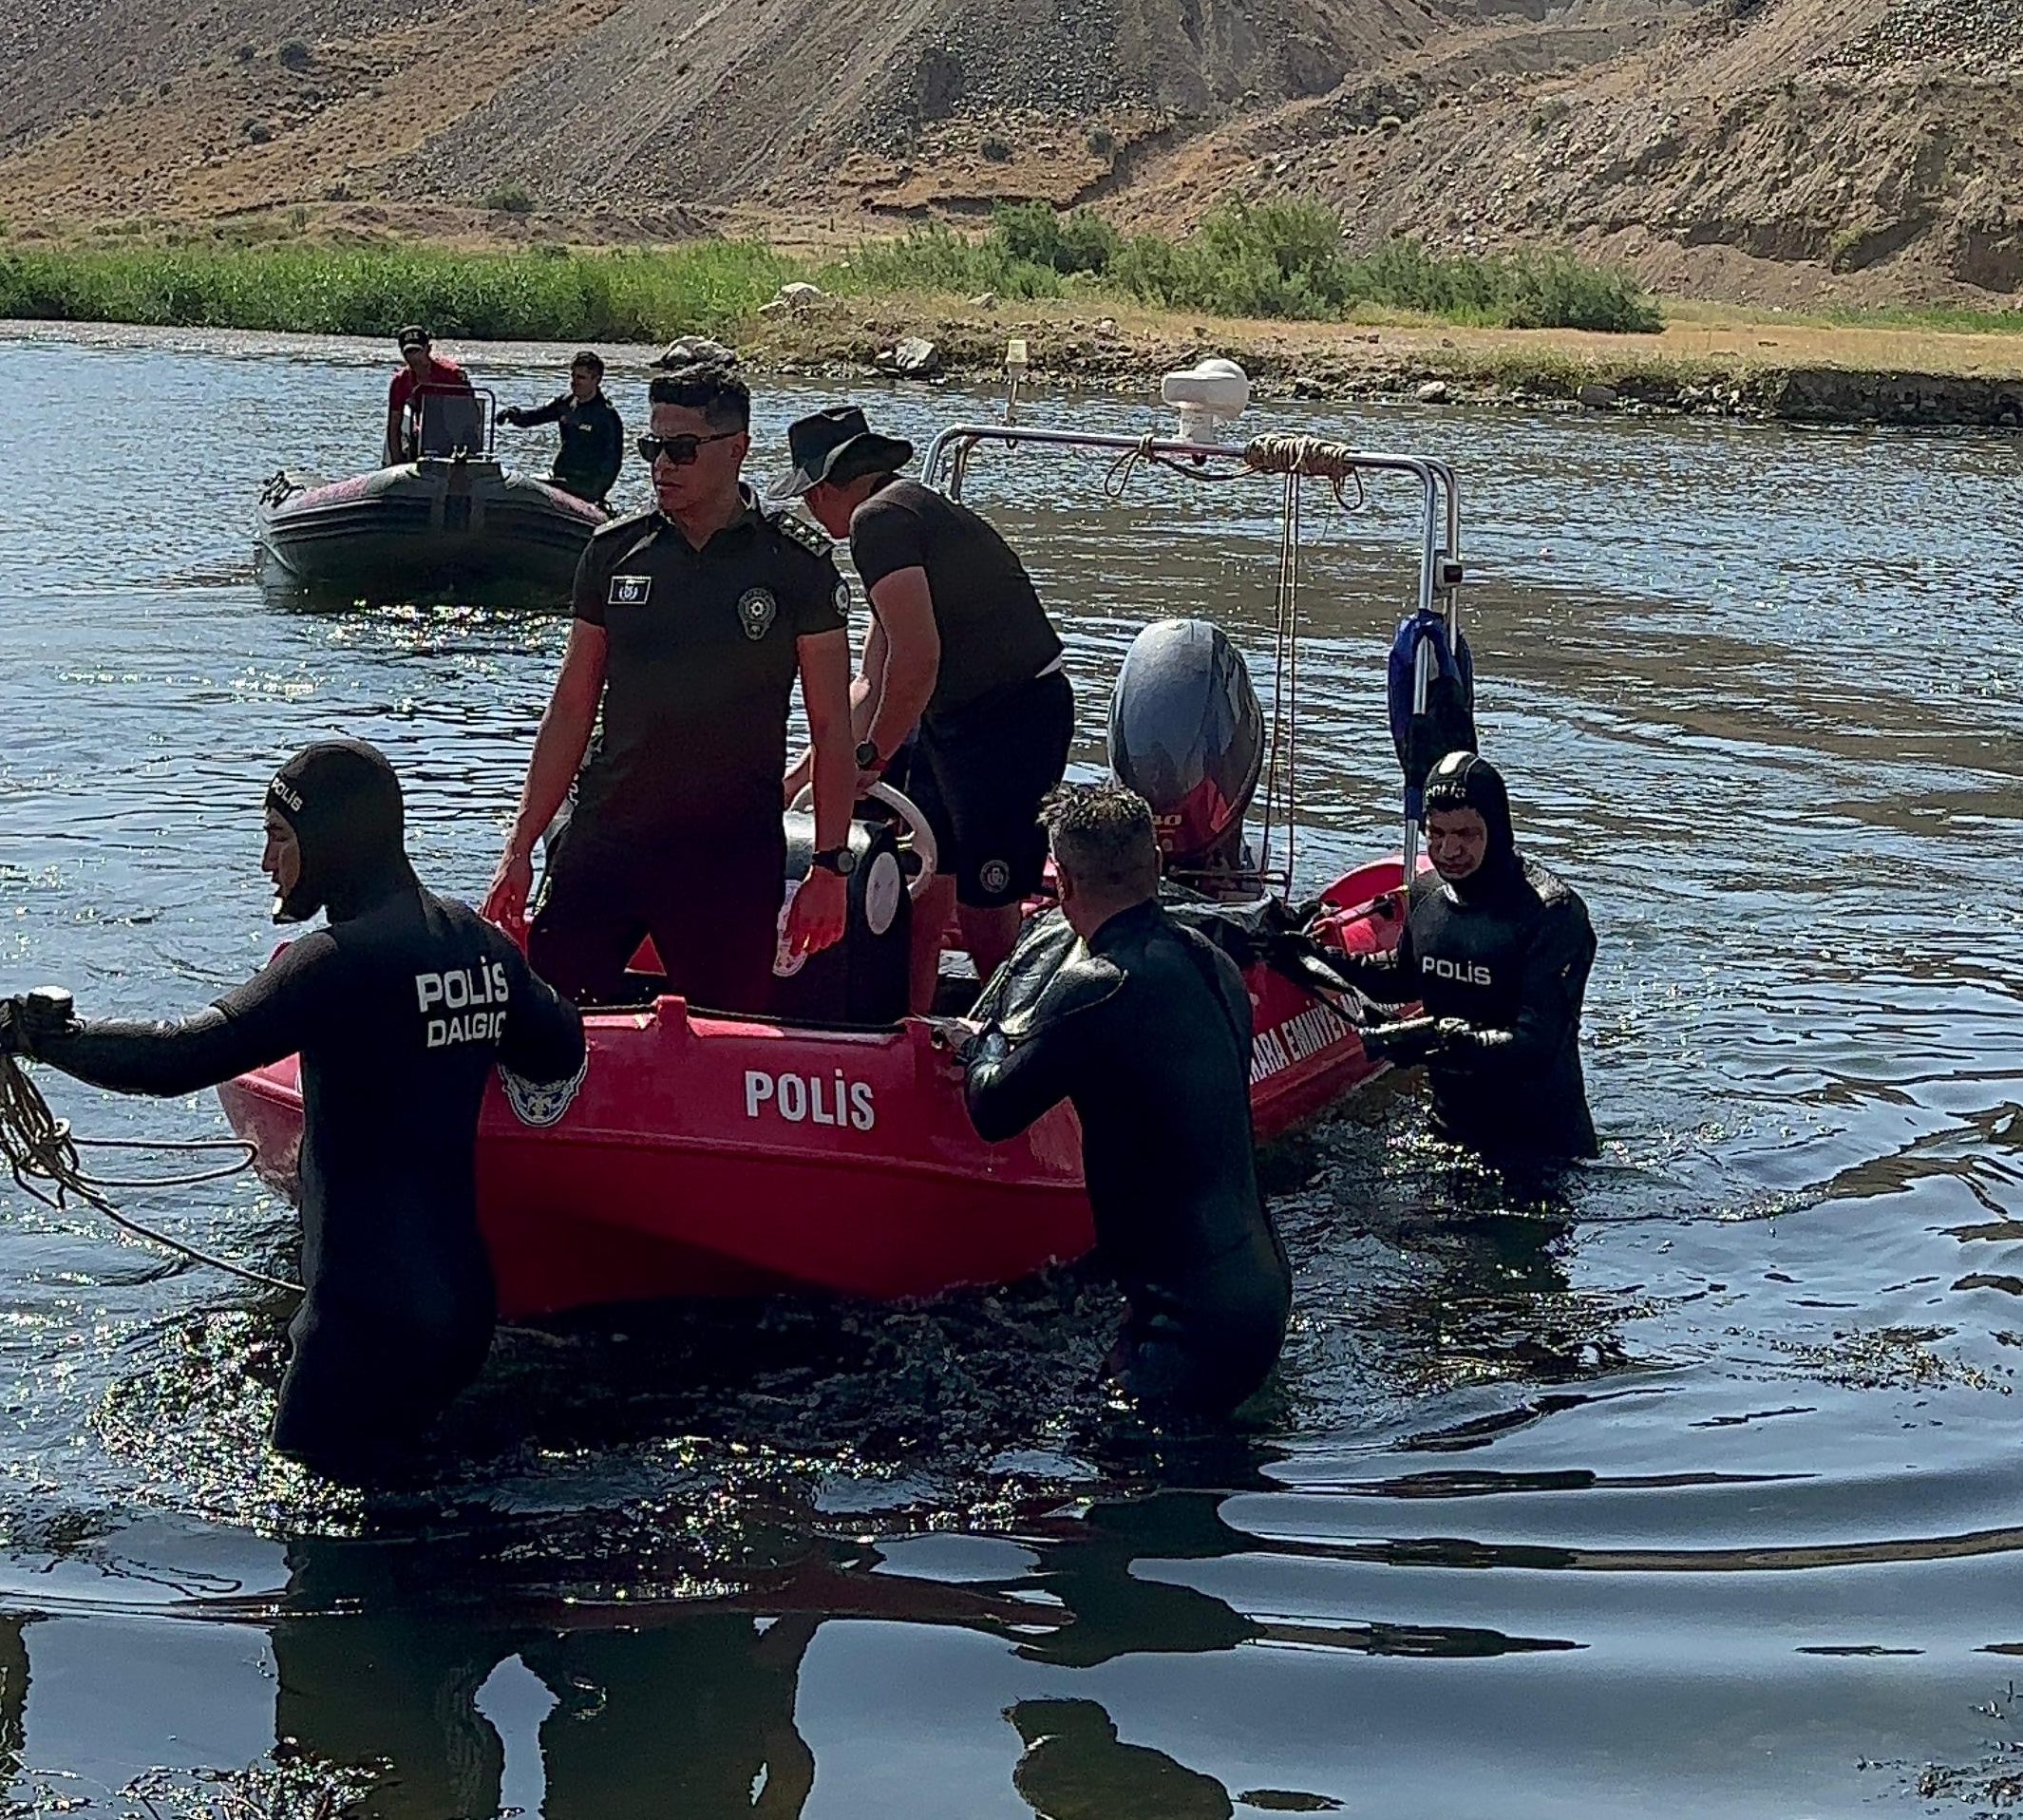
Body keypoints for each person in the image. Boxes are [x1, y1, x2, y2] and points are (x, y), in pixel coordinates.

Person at [0, 739, 585, 1480]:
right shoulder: (478, 948)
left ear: (332, 838)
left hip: (361, 1325)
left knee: (320, 1528)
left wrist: (41, 1038)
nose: (266, 862)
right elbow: (559, 1046)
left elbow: (182, 1055)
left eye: (279, 837)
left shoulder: (334, 963)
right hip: (463, 1315)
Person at [482, 362, 855, 1013]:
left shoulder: (797, 565)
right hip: (610, 836)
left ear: (736, 449)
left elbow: (831, 728)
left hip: (729, 854)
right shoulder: (613, 552)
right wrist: (519, 847)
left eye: (681, 449)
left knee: (732, 1030)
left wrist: (829, 866)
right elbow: (571, 706)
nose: (662, 465)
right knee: (545, 1014)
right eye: (653, 447)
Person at [962, 782, 1290, 1419]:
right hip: (1259, 1292)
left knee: (1117, 1485)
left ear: (1064, 890)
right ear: (1157, 867)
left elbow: (992, 1110)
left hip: (1190, 1325)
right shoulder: (1212, 961)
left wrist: (988, 1037)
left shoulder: (1097, 985)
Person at [778, 406, 1072, 1011]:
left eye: (810, 496)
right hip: (953, 721)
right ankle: (908, 1021)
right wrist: (795, 782)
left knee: (984, 903)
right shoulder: (903, 516)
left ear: (831, 485)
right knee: (924, 887)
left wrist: (870, 759)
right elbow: (871, 680)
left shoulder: (878, 523)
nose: (810, 510)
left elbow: (916, 661)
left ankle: (1010, 1035)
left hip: (1013, 719)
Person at [1343, 749, 1598, 1161]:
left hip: (1540, 1148)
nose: (1448, 850)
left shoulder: (1550, 913)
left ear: (1496, 830)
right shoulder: (1426, 896)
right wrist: (1310, 956)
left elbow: (1537, 1045)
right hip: (1449, 1134)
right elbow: (1403, 976)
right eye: (1436, 833)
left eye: (1465, 834)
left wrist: (1439, 1038)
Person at [500, 351, 625, 504]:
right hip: (560, 476)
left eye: (581, 378)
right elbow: (534, 417)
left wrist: (596, 493)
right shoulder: (565, 403)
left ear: (596, 380)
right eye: (573, 376)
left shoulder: (607, 416)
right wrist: (513, 415)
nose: (574, 382)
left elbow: (612, 462)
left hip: (585, 485)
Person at [384, 325, 475, 467]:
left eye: (417, 351)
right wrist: (396, 463)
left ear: (428, 349)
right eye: (408, 352)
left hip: (456, 434)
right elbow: (394, 423)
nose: (413, 357)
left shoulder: (452, 375)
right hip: (423, 438)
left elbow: (472, 414)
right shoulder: (400, 382)